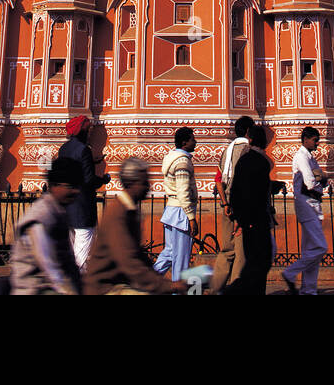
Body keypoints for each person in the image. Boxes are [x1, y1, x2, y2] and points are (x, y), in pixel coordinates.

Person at [84, 157, 184, 295]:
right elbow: (128, 261)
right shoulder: (118, 212)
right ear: (132, 183)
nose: (148, 186)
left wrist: (162, 282)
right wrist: (167, 286)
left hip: (119, 282)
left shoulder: (130, 210)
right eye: (144, 182)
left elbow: (137, 254)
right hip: (105, 287)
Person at [9, 158, 82, 295]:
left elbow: (68, 261)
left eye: (77, 187)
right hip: (34, 288)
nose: (76, 192)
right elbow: (47, 263)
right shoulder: (41, 216)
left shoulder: (59, 211)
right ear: (54, 186)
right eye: (70, 187)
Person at [226, 123, 275, 295]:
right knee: (259, 262)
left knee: (255, 262)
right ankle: (233, 291)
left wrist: (240, 219)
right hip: (257, 221)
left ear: (250, 139)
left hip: (249, 221)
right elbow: (256, 194)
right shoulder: (261, 162)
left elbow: (236, 192)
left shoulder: (244, 160)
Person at [281, 126, 329, 294]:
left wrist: (321, 179)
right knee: (320, 247)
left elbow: (321, 179)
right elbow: (311, 182)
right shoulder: (301, 157)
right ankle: (290, 272)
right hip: (306, 203)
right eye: (315, 140)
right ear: (306, 139)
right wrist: (321, 179)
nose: (317, 143)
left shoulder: (310, 157)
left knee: (311, 249)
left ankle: (309, 289)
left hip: (313, 203)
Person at [56, 115, 107, 269]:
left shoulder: (63, 149)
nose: (89, 133)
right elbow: (88, 180)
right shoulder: (84, 150)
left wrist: (92, 162)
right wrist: (104, 179)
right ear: (82, 132)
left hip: (67, 206)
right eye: (88, 130)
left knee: (72, 249)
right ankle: (77, 283)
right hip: (82, 208)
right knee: (82, 251)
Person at [209, 115, 253, 293]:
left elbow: (218, 180)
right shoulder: (249, 151)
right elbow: (246, 183)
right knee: (242, 252)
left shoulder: (227, 151)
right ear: (249, 131)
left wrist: (225, 203)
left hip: (227, 206)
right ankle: (236, 289)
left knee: (226, 250)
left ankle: (214, 289)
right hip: (241, 208)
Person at [153, 126, 199, 280]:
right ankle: (178, 289)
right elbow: (183, 191)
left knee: (171, 252)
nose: (195, 142)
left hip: (171, 209)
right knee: (181, 256)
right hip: (181, 212)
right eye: (193, 139)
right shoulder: (182, 162)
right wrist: (191, 217)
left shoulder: (170, 157)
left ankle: (149, 281)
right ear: (185, 142)